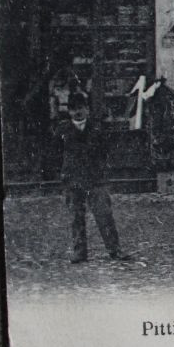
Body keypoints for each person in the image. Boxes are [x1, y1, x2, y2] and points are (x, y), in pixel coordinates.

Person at [58, 89, 132, 263]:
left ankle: (114, 250)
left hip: (95, 178)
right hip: (73, 178)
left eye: (81, 107)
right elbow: (55, 153)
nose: (78, 111)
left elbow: (106, 151)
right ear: (69, 111)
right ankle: (79, 252)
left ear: (87, 109)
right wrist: (63, 173)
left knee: (104, 214)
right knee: (76, 216)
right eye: (74, 108)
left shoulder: (97, 128)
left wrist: (101, 169)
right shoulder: (62, 130)